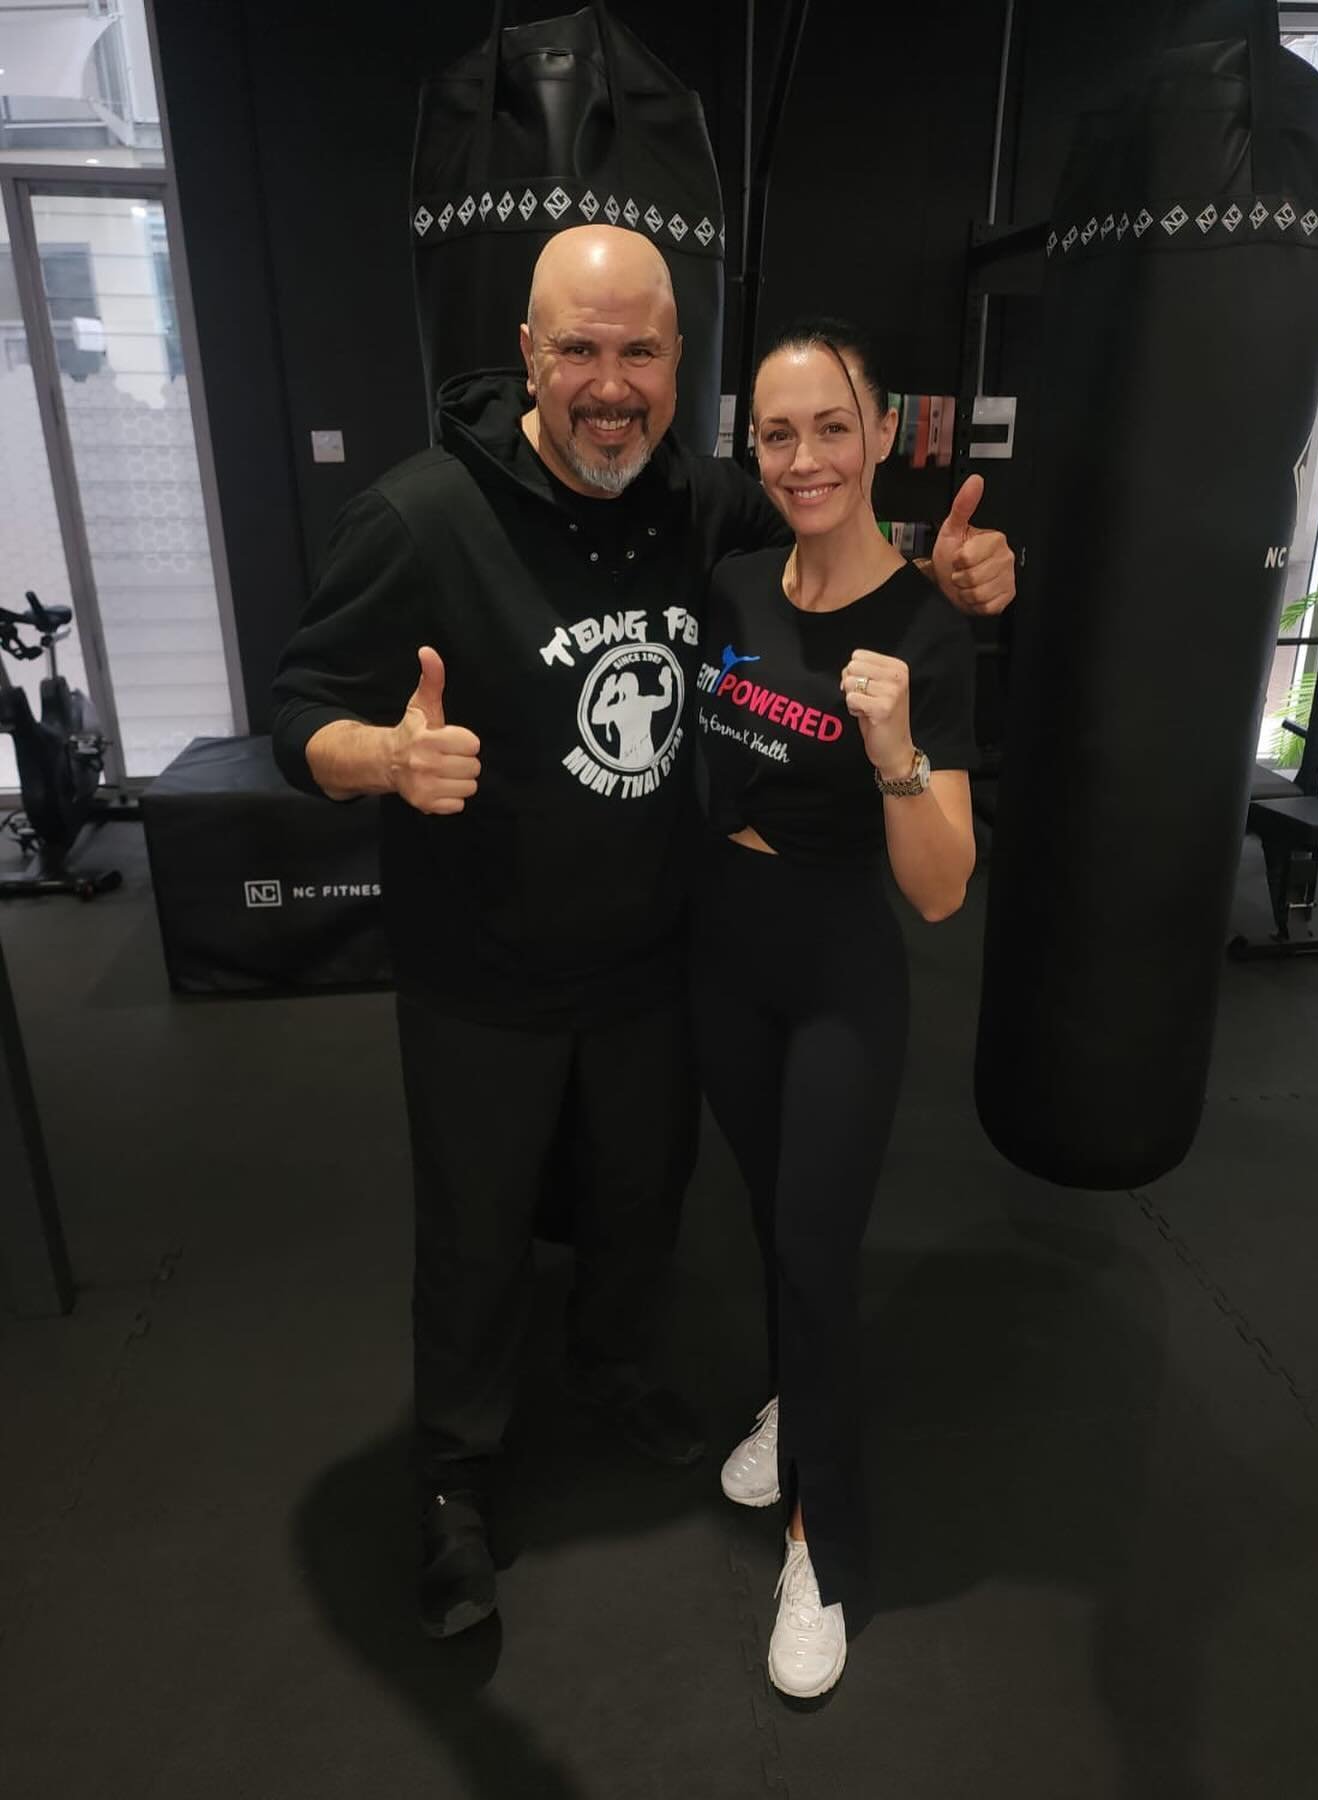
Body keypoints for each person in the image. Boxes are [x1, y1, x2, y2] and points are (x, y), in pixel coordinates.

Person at [270, 226, 1014, 1641]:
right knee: (477, 1237)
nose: (611, 384)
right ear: (530, 358)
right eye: (581, 351)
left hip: (662, 960)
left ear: (680, 362)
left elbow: (830, 540)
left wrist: (959, 576)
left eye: (641, 352)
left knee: (639, 1198)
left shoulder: (704, 508)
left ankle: (612, 1370)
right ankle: (451, 1486)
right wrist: (380, 758)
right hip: (479, 968)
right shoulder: (419, 518)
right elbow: (297, 707)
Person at [691, 320, 979, 1699]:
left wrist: (895, 754)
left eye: (829, 428)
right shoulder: (734, 587)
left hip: (836, 968)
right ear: (757, 453)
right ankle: (794, 1392)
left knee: (816, 1247)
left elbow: (939, 893)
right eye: (777, 435)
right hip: (721, 953)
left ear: (878, 436)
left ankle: (825, 1544)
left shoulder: (928, 624)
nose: (804, 457)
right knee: (770, 1215)